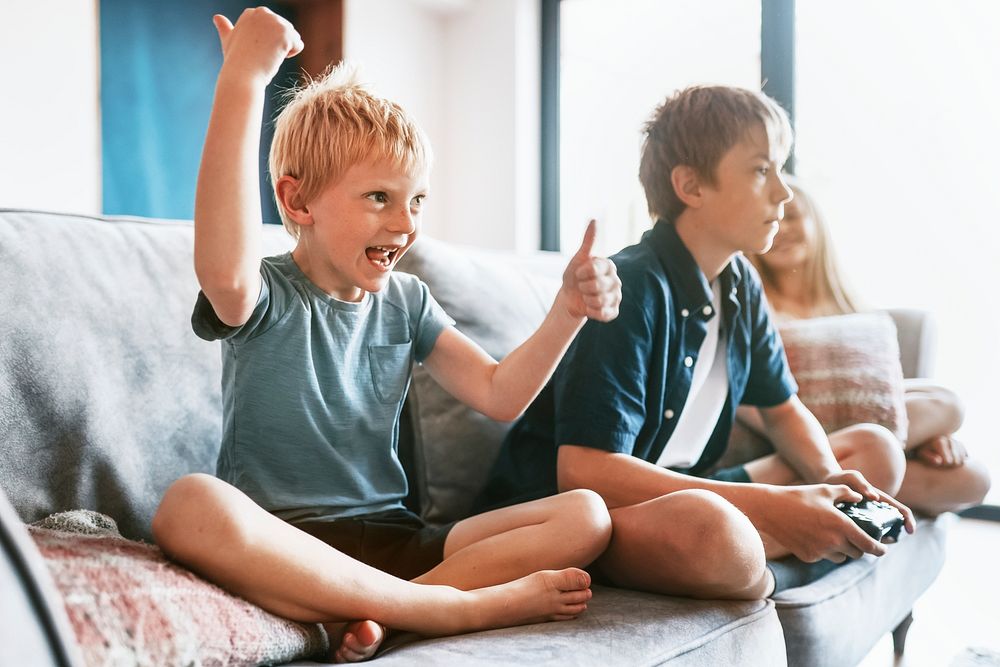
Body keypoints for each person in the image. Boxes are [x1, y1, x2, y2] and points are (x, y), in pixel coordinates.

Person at [152, 7, 621, 663]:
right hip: (289, 544)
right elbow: (222, 270)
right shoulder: (263, 293)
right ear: (297, 202)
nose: (406, 222)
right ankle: (447, 607)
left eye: (418, 199)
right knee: (187, 503)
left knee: (587, 514)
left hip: (399, 538)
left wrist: (567, 309)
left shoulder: (407, 300)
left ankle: (384, 615)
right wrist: (244, 81)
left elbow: (499, 393)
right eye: (379, 197)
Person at [479, 84, 916, 601]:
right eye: (760, 170)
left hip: (682, 489)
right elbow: (584, 470)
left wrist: (828, 478)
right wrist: (774, 504)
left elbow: (780, 408)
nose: (784, 192)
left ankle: (774, 553)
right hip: (581, 511)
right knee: (713, 531)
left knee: (874, 450)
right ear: (690, 186)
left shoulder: (740, 283)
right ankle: (773, 558)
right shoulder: (630, 285)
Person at [744, 178, 991, 516]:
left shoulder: (853, 314)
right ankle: (856, 465)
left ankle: (865, 468)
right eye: (774, 219)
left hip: (862, 432)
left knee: (969, 463)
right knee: (943, 415)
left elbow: (883, 396)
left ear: (816, 222)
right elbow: (749, 400)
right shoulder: (754, 305)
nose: (784, 229)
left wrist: (925, 440)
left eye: (794, 216)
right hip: (792, 430)